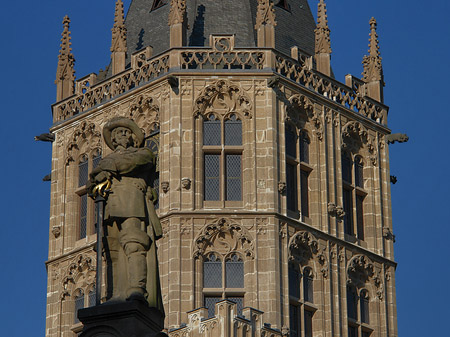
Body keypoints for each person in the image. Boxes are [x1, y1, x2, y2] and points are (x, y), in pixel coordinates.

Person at [88, 117, 163, 314]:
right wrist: (98, 176)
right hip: (109, 206)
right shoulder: (105, 162)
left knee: (134, 242)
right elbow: (91, 185)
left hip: (132, 201)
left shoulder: (142, 153)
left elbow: (133, 162)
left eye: (125, 132)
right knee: (111, 248)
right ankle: (115, 294)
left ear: (131, 137)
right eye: (117, 133)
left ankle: (137, 289)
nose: (122, 136)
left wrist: (105, 169)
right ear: (113, 140)